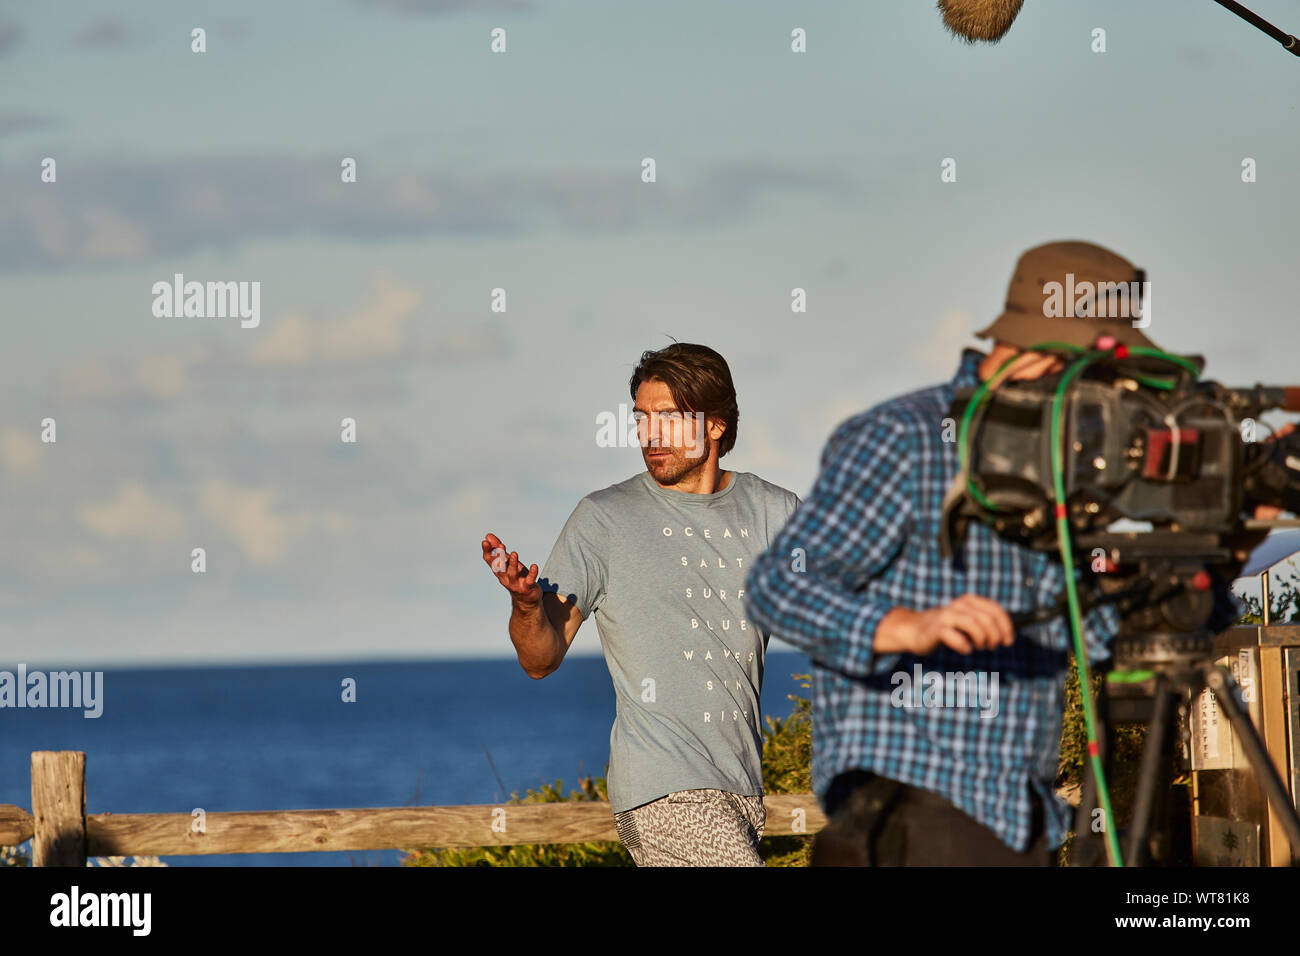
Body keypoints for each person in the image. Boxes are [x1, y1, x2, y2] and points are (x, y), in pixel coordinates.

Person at [745, 240, 1186, 865]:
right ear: (1041, 359)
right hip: (910, 819)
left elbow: (1098, 628)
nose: (1117, 394)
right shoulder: (907, 439)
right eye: (1103, 373)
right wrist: (905, 626)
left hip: (1016, 825)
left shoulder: (1073, 469)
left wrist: (1185, 559)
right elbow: (779, 587)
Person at [481, 342, 799, 866]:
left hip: (741, 790)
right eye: (642, 419)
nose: (650, 435)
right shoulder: (604, 520)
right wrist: (526, 606)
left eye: (669, 418)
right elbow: (540, 659)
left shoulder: (773, 513)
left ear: (715, 426)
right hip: (662, 792)